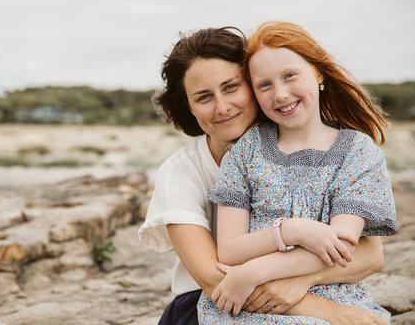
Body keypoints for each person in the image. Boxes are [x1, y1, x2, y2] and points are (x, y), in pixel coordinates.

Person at [138, 26, 388, 325]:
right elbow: (213, 278)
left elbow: (370, 256)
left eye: (231, 87)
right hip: (216, 300)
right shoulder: (182, 172)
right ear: (188, 107)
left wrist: (300, 282)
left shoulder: (351, 151)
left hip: (303, 286)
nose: (223, 106)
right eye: (204, 97)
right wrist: (328, 311)